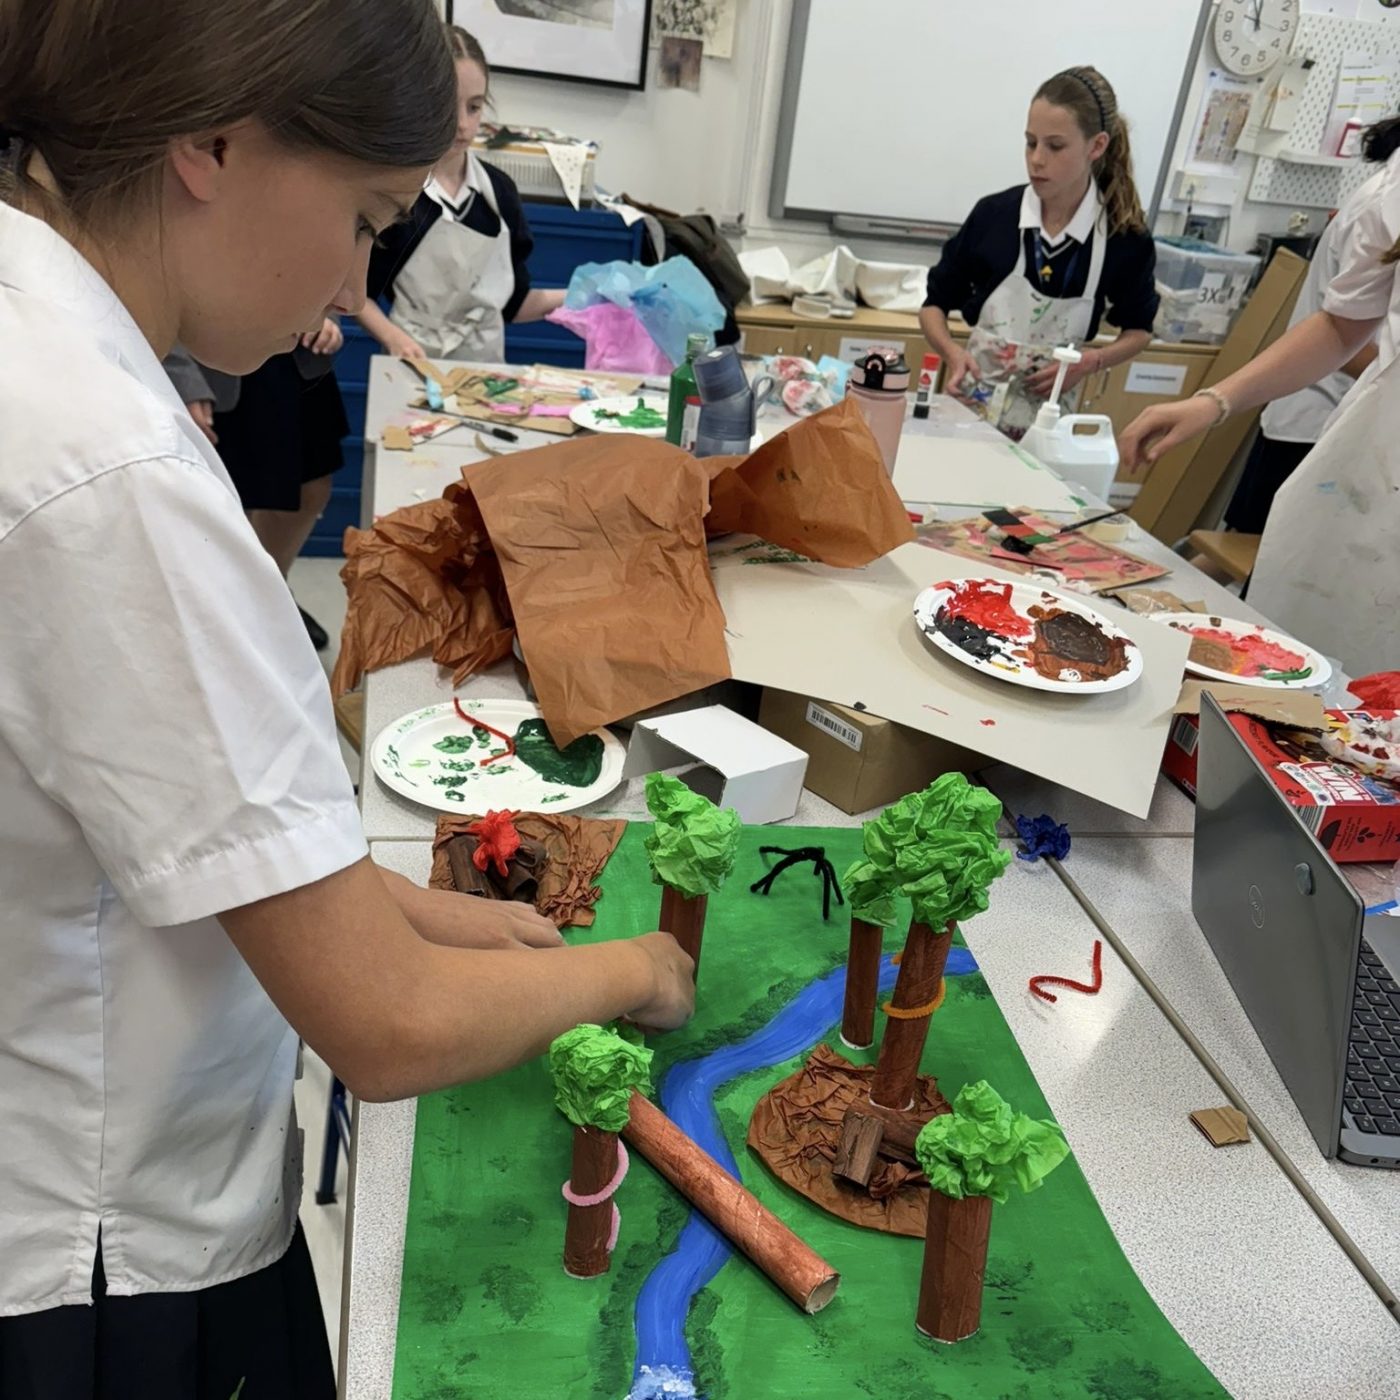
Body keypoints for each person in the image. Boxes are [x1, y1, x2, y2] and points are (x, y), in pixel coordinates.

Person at [0, 4, 693, 1397]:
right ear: (212, 145)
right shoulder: (114, 471)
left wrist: (440, 914)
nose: (351, 275)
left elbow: (170, 831)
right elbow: (384, 1026)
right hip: (101, 1251)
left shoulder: (46, 343)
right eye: (365, 217)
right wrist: (630, 972)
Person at [1120, 119, 1400, 676]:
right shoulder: (1389, 198)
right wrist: (1213, 402)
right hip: (1375, 473)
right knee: (1323, 670)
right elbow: (1342, 327)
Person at [920, 66, 1159, 441]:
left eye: (1055, 146)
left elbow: (1140, 331)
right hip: (969, 410)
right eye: (1030, 143)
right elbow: (933, 306)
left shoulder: (1122, 237)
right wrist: (952, 352)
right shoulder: (994, 216)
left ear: (1097, 146)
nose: (1036, 159)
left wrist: (1091, 362)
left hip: (1048, 426)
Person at [1221, 125, 1400, 536]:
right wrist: (1215, 403)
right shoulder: (1381, 205)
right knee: (1261, 545)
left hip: (1353, 426)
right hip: (1319, 417)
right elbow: (1344, 336)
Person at [358, 25, 566, 363]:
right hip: (412, 364)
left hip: (484, 370)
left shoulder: (499, 193)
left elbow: (514, 304)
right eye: (447, 105)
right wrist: (393, 337)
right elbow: (358, 295)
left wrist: (583, 296)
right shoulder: (398, 191)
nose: (462, 125)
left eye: (474, 107)